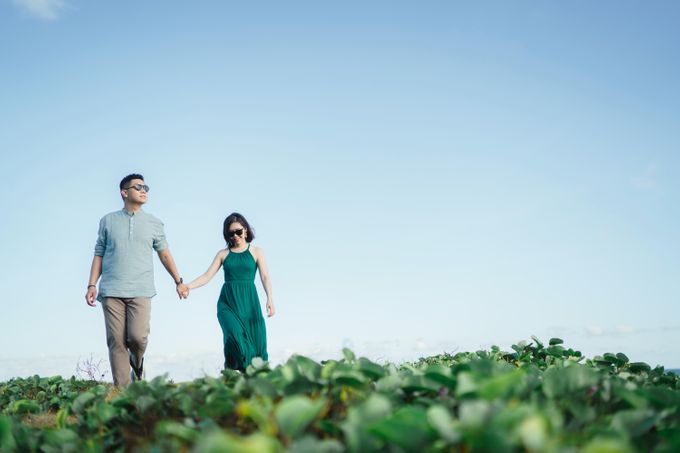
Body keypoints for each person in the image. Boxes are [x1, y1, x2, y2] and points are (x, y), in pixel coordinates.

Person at [85, 173, 189, 387]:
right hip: (111, 290)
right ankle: (123, 392)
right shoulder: (108, 221)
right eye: (138, 187)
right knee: (116, 342)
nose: (144, 190)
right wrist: (92, 284)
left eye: (146, 187)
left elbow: (165, 254)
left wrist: (178, 280)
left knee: (138, 338)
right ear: (124, 193)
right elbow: (99, 253)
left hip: (141, 289)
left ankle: (137, 362)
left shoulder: (154, 223)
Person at [184, 212, 275, 371]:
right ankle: (234, 371)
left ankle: (252, 378)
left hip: (249, 302)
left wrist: (270, 299)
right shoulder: (223, 254)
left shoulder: (256, 252)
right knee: (235, 337)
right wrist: (188, 286)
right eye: (231, 233)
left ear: (245, 230)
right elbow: (207, 276)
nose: (235, 236)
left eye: (238, 231)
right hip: (228, 303)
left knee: (256, 342)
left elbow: (265, 276)